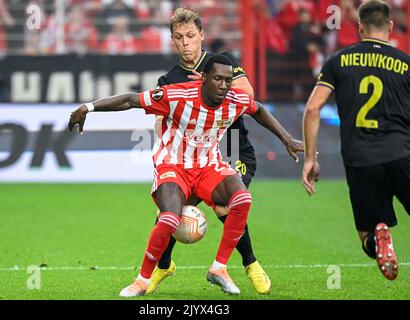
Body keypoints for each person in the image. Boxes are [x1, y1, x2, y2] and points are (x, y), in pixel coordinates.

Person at [69, 54, 303, 296]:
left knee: (242, 199)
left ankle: (219, 269)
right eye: (217, 79)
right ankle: (142, 280)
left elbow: (259, 110)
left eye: (227, 80)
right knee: (169, 218)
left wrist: (287, 139)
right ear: (203, 78)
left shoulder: (234, 99)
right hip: (172, 165)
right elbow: (130, 100)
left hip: (207, 166)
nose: (223, 86)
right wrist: (88, 107)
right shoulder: (177, 96)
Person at [149, 7, 295, 295]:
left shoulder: (220, 64)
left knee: (227, 207)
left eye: (191, 35)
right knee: (168, 215)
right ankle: (164, 265)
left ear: (202, 35)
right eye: (179, 37)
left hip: (233, 148)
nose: (186, 43)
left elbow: (249, 96)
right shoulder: (169, 80)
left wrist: (206, 89)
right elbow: (159, 121)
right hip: (191, 157)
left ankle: (250, 264)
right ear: (173, 41)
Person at [302, 0, 409, 281]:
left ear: (359, 27)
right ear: (390, 26)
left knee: (366, 235)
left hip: (360, 160)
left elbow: (313, 109)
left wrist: (311, 159)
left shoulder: (338, 60)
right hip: (401, 153)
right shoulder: (406, 64)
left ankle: (378, 239)